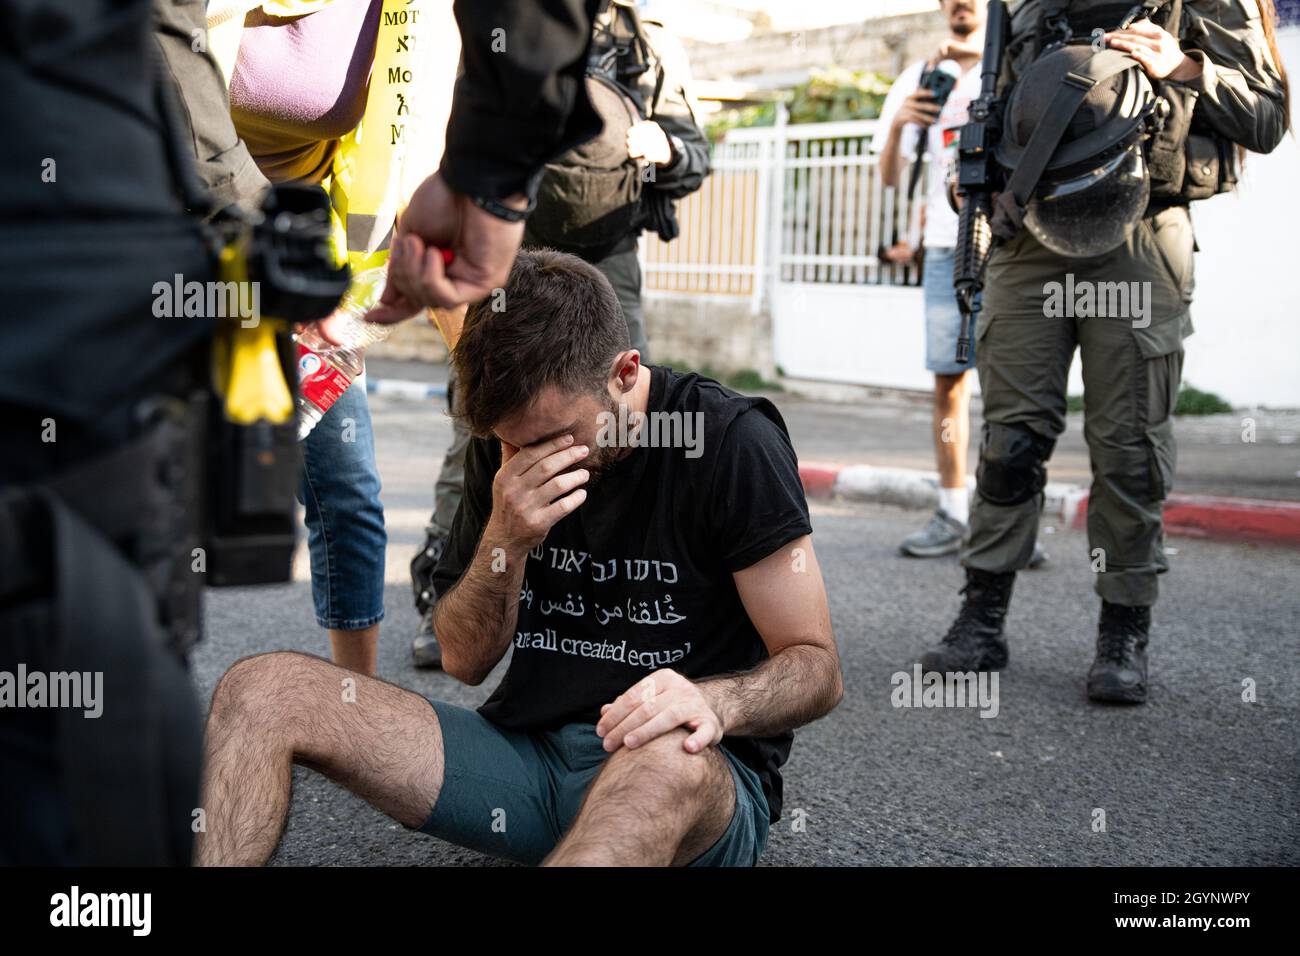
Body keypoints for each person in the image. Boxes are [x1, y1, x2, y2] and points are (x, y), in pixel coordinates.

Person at [196, 249, 843, 866]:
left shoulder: (731, 441)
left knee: (663, 757)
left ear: (624, 372)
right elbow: (463, 660)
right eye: (513, 444)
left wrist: (715, 703)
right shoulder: (508, 442)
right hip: (527, 762)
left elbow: (816, 668)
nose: (528, 459)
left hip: (683, 776)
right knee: (262, 689)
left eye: (556, 438)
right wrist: (506, 539)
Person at [921, 0, 1289, 703]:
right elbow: (1007, 102)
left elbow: (1266, 117)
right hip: (1029, 234)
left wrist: (1180, 64)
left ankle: (1123, 628)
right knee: (1011, 439)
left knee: (1127, 441)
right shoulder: (1021, 5)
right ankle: (982, 615)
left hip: (1139, 234)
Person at [409, 2, 710, 668]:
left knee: (616, 428)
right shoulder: (505, 16)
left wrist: (668, 150)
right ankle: (449, 589)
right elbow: (462, 119)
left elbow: (697, 153)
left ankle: (612, 602)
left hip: (608, 258)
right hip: (512, 246)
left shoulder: (648, 39)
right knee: (486, 423)